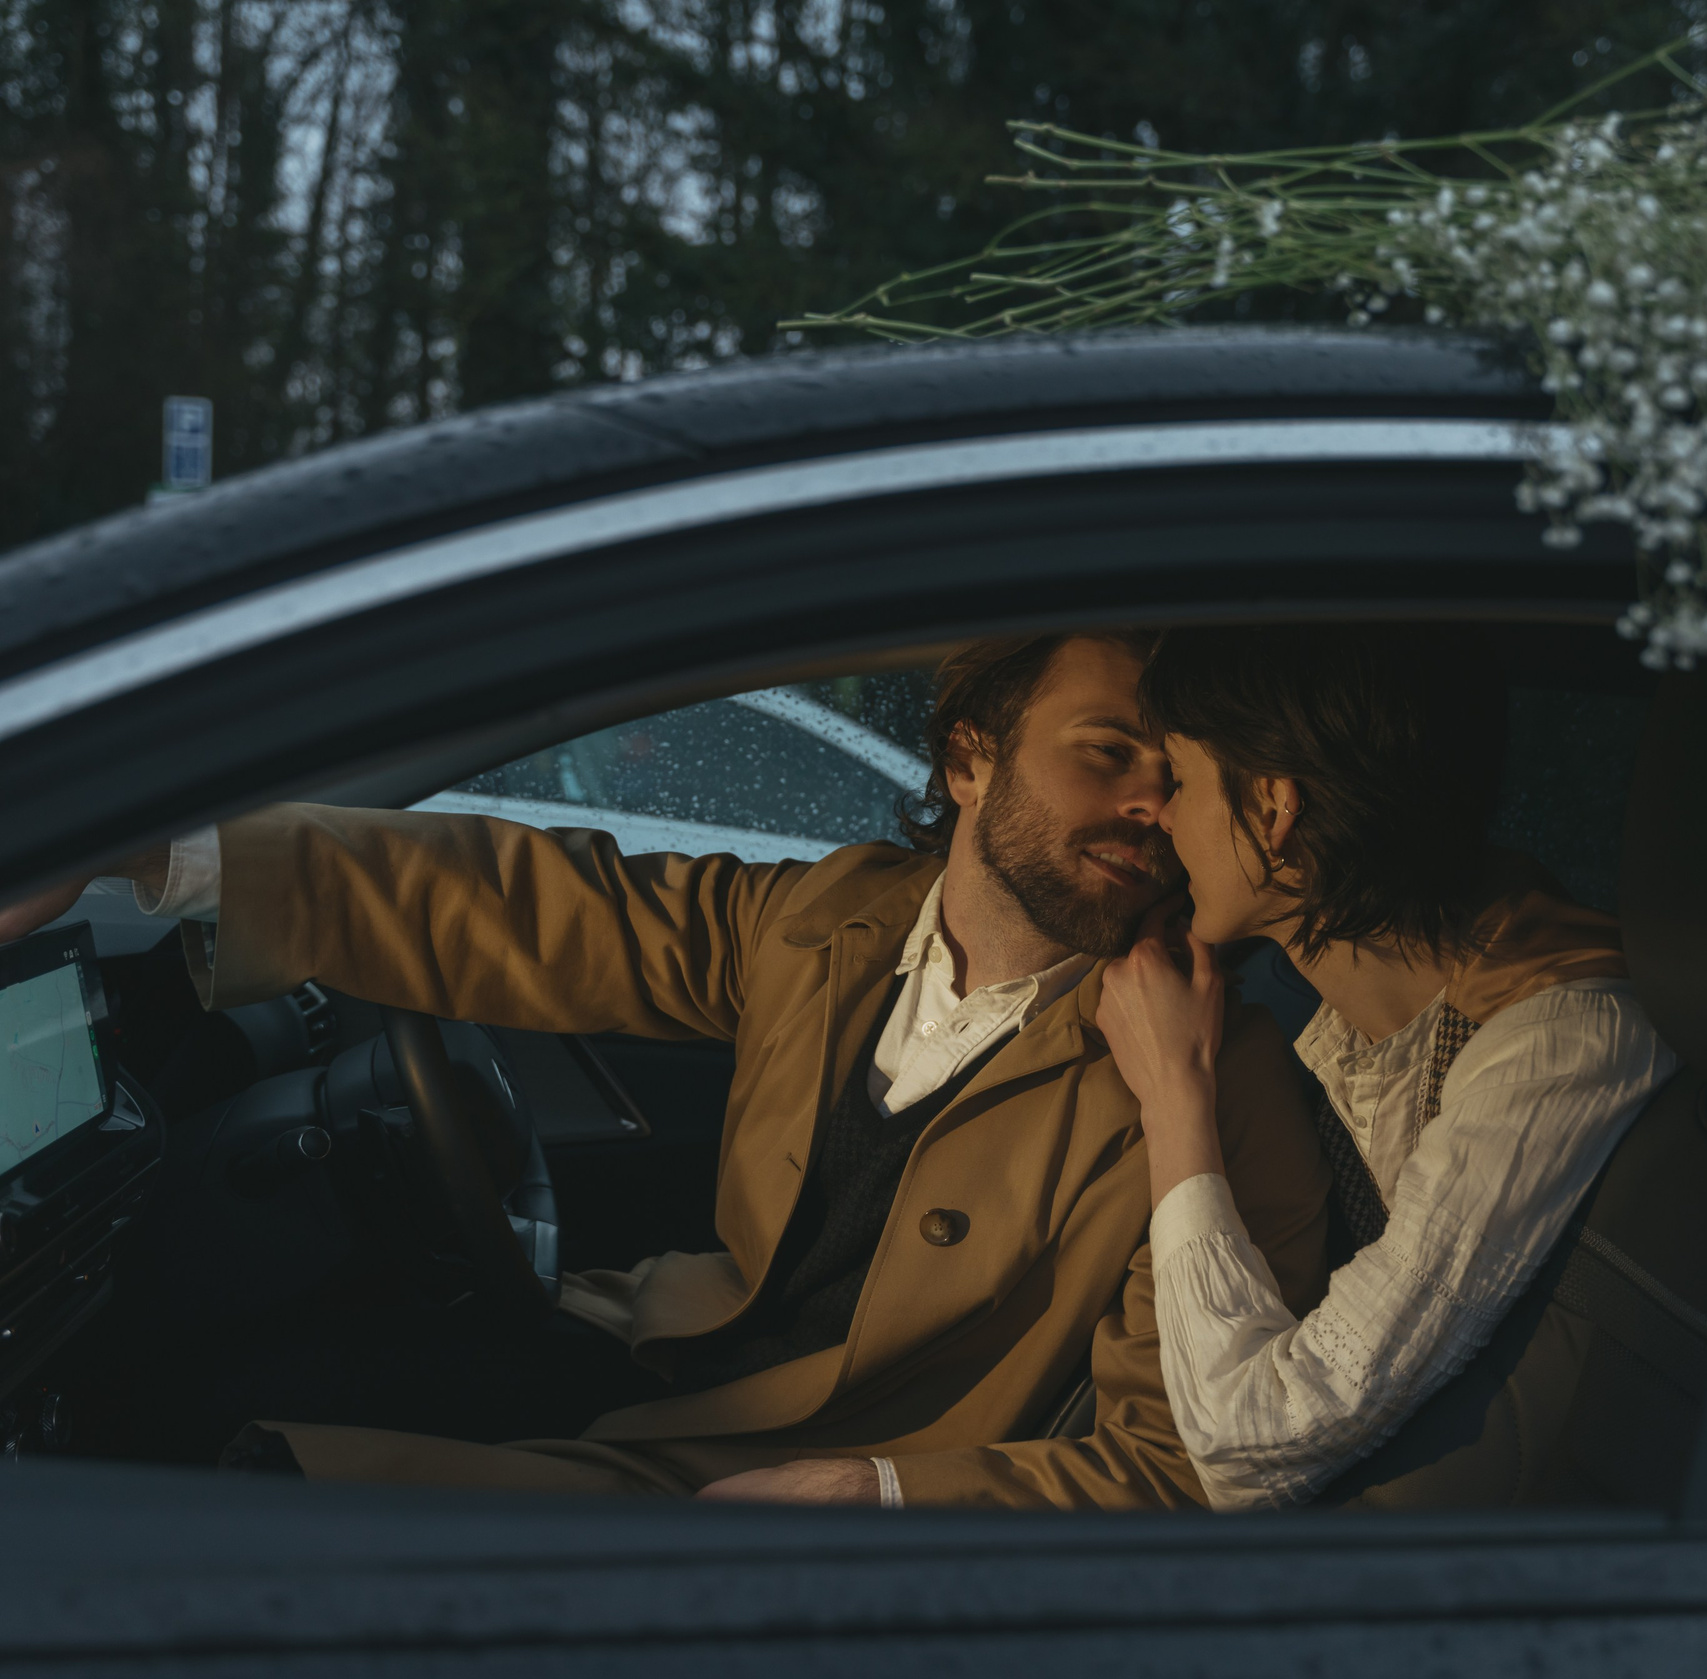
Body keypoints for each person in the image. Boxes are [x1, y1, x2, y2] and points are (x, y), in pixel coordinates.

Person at [0, 632, 1330, 1509]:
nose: (1150, 806)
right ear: (967, 756)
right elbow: (529, 905)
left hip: (795, 1483)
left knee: (201, 1482)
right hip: (653, 1350)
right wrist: (145, 846)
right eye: (1106, 753)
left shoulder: (1209, 1065)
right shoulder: (840, 912)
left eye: (1175, 774)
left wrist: (871, 1493)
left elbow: (1184, 1460)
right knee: (193, 1390)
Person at [1095, 624, 1677, 1513]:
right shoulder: (1356, 1027)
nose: (1159, 815)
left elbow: (1251, 1448)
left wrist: (1176, 1092)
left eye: (1179, 780)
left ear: (1273, 810)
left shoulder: (1562, 1043)